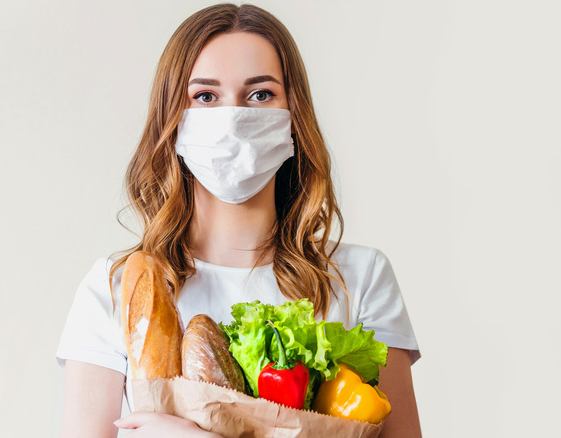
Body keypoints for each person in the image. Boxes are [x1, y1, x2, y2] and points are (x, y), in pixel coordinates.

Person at [56, 3, 422, 437]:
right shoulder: (116, 289)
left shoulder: (359, 280)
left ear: (293, 118)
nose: (232, 118)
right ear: (172, 120)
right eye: (205, 96)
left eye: (260, 94)